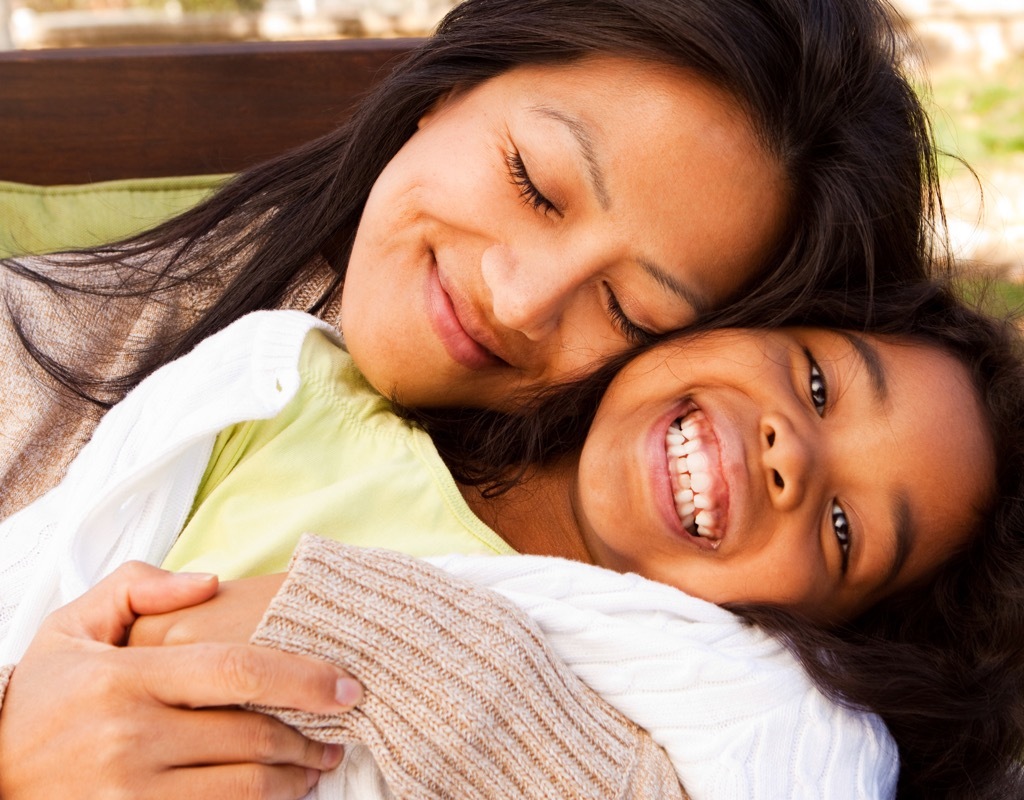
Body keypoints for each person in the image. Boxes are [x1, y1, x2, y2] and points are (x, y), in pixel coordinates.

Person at [0, 0, 947, 796]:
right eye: (534, 186)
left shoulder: (661, 565)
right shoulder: (68, 343)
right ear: (447, 89)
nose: (519, 297)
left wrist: (462, 679)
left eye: (628, 307)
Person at [1, 280, 1024, 799]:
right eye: (817, 379)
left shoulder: (726, 699)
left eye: (844, 527)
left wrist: (401, 647)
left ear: (829, 633)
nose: (795, 452)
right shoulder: (305, 394)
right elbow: (54, 568)